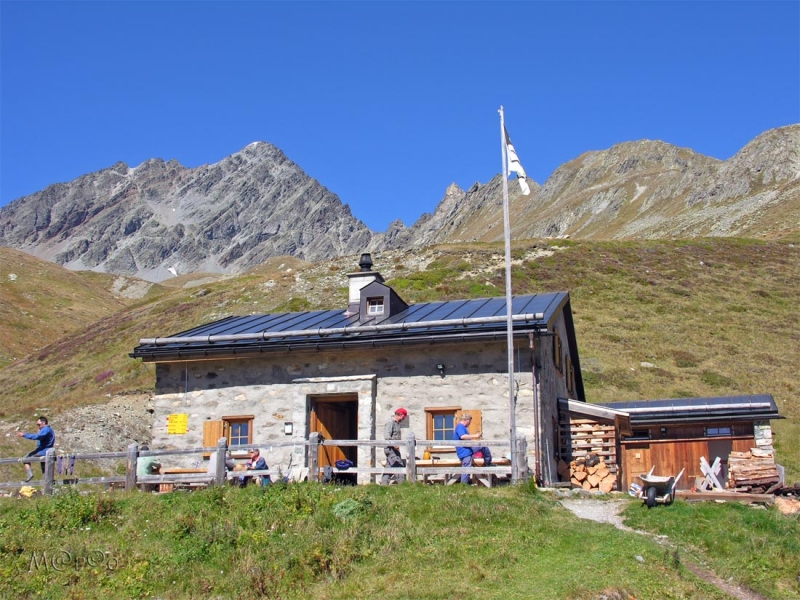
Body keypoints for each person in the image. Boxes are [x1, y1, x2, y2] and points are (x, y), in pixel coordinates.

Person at [454, 413, 493, 484]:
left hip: (468, 449)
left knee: (482, 445)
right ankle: (463, 485)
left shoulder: (462, 427)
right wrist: (475, 436)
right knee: (466, 468)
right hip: (464, 451)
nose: (469, 423)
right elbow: (462, 436)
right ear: (467, 420)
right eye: (470, 422)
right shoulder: (460, 427)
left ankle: (488, 462)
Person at [17, 416, 55, 482]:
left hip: (43, 451)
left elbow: (38, 437)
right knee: (44, 469)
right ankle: (47, 482)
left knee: (25, 458)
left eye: (39, 424)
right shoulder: (48, 430)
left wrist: (24, 435)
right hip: (45, 450)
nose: (38, 426)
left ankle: (30, 474)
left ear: (43, 423)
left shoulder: (46, 429)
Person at [382, 407, 407, 485]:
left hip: (394, 449)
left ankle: (383, 485)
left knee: (389, 467)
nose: (404, 419)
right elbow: (387, 436)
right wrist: (394, 444)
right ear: (401, 415)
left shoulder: (397, 424)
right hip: (390, 449)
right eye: (404, 417)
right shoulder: (391, 422)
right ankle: (403, 485)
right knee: (398, 465)